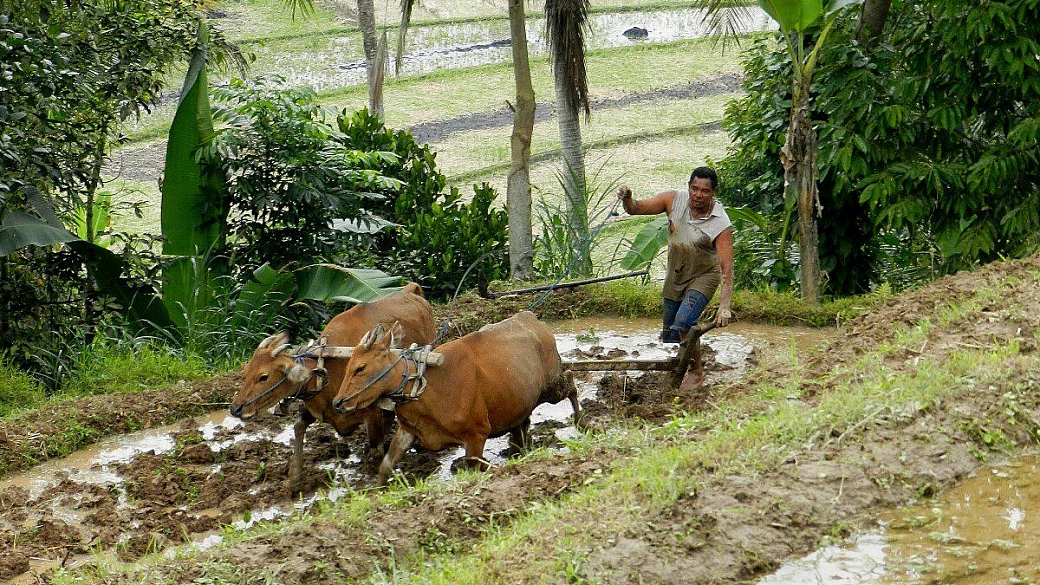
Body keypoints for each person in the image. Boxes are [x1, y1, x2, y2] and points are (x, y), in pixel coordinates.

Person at [617, 166, 734, 345]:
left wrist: (724, 306)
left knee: (684, 323)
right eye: (694, 189)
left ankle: (696, 370)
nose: (698, 195)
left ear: (713, 193)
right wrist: (628, 198)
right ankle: (678, 368)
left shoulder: (720, 222)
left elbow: (726, 268)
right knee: (670, 335)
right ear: (688, 187)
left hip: (704, 275)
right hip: (676, 274)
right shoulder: (673, 200)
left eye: (705, 191)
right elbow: (636, 208)